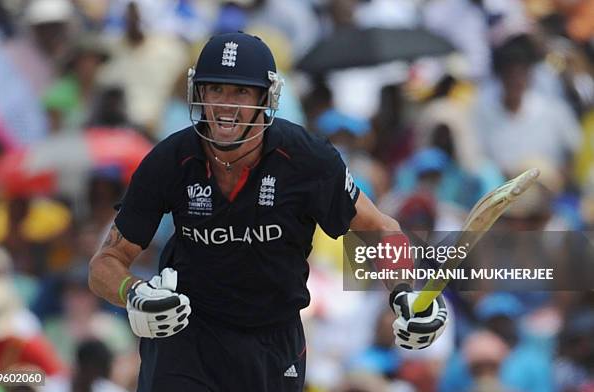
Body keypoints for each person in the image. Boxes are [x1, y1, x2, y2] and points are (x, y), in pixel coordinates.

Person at [88, 32, 448, 391]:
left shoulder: (309, 160)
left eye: (240, 92)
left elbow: (379, 228)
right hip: (188, 336)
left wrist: (405, 292)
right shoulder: (169, 160)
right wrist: (133, 292)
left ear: (267, 98)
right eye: (215, 90)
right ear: (198, 93)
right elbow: (106, 263)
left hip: (273, 343)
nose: (225, 106)